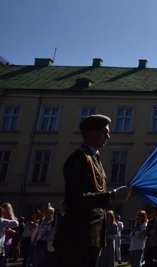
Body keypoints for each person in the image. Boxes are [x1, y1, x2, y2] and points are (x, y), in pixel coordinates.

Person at [55, 114, 130, 267]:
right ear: (90, 133)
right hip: (77, 237)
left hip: (91, 237)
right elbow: (76, 198)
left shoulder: (94, 158)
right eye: (104, 132)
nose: (108, 136)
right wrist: (112, 195)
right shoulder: (80, 159)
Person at [0, 203, 19, 267]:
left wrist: (12, 232)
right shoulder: (2, 220)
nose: (5, 211)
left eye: (7, 210)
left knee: (3, 261)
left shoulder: (12, 219)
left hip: (6, 242)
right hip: (2, 243)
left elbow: (16, 231)